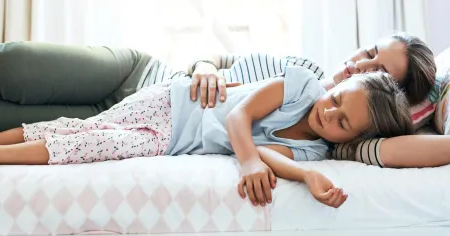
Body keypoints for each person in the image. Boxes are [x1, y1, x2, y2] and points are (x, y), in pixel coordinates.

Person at [0, 68, 412, 208]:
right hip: (175, 105)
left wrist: (305, 177)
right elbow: (240, 117)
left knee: (88, 134)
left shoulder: (314, 150)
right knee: (96, 134)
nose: (328, 112)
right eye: (336, 99)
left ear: (352, 138)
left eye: (342, 122)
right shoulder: (301, 87)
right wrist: (249, 164)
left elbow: (266, 152)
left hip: (175, 142)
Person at [189, 33, 445, 168]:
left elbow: (390, 150)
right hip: (173, 87)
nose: (361, 63)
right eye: (370, 52)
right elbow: (217, 57)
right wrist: (205, 67)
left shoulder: (323, 140)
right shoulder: (302, 69)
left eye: (378, 72)